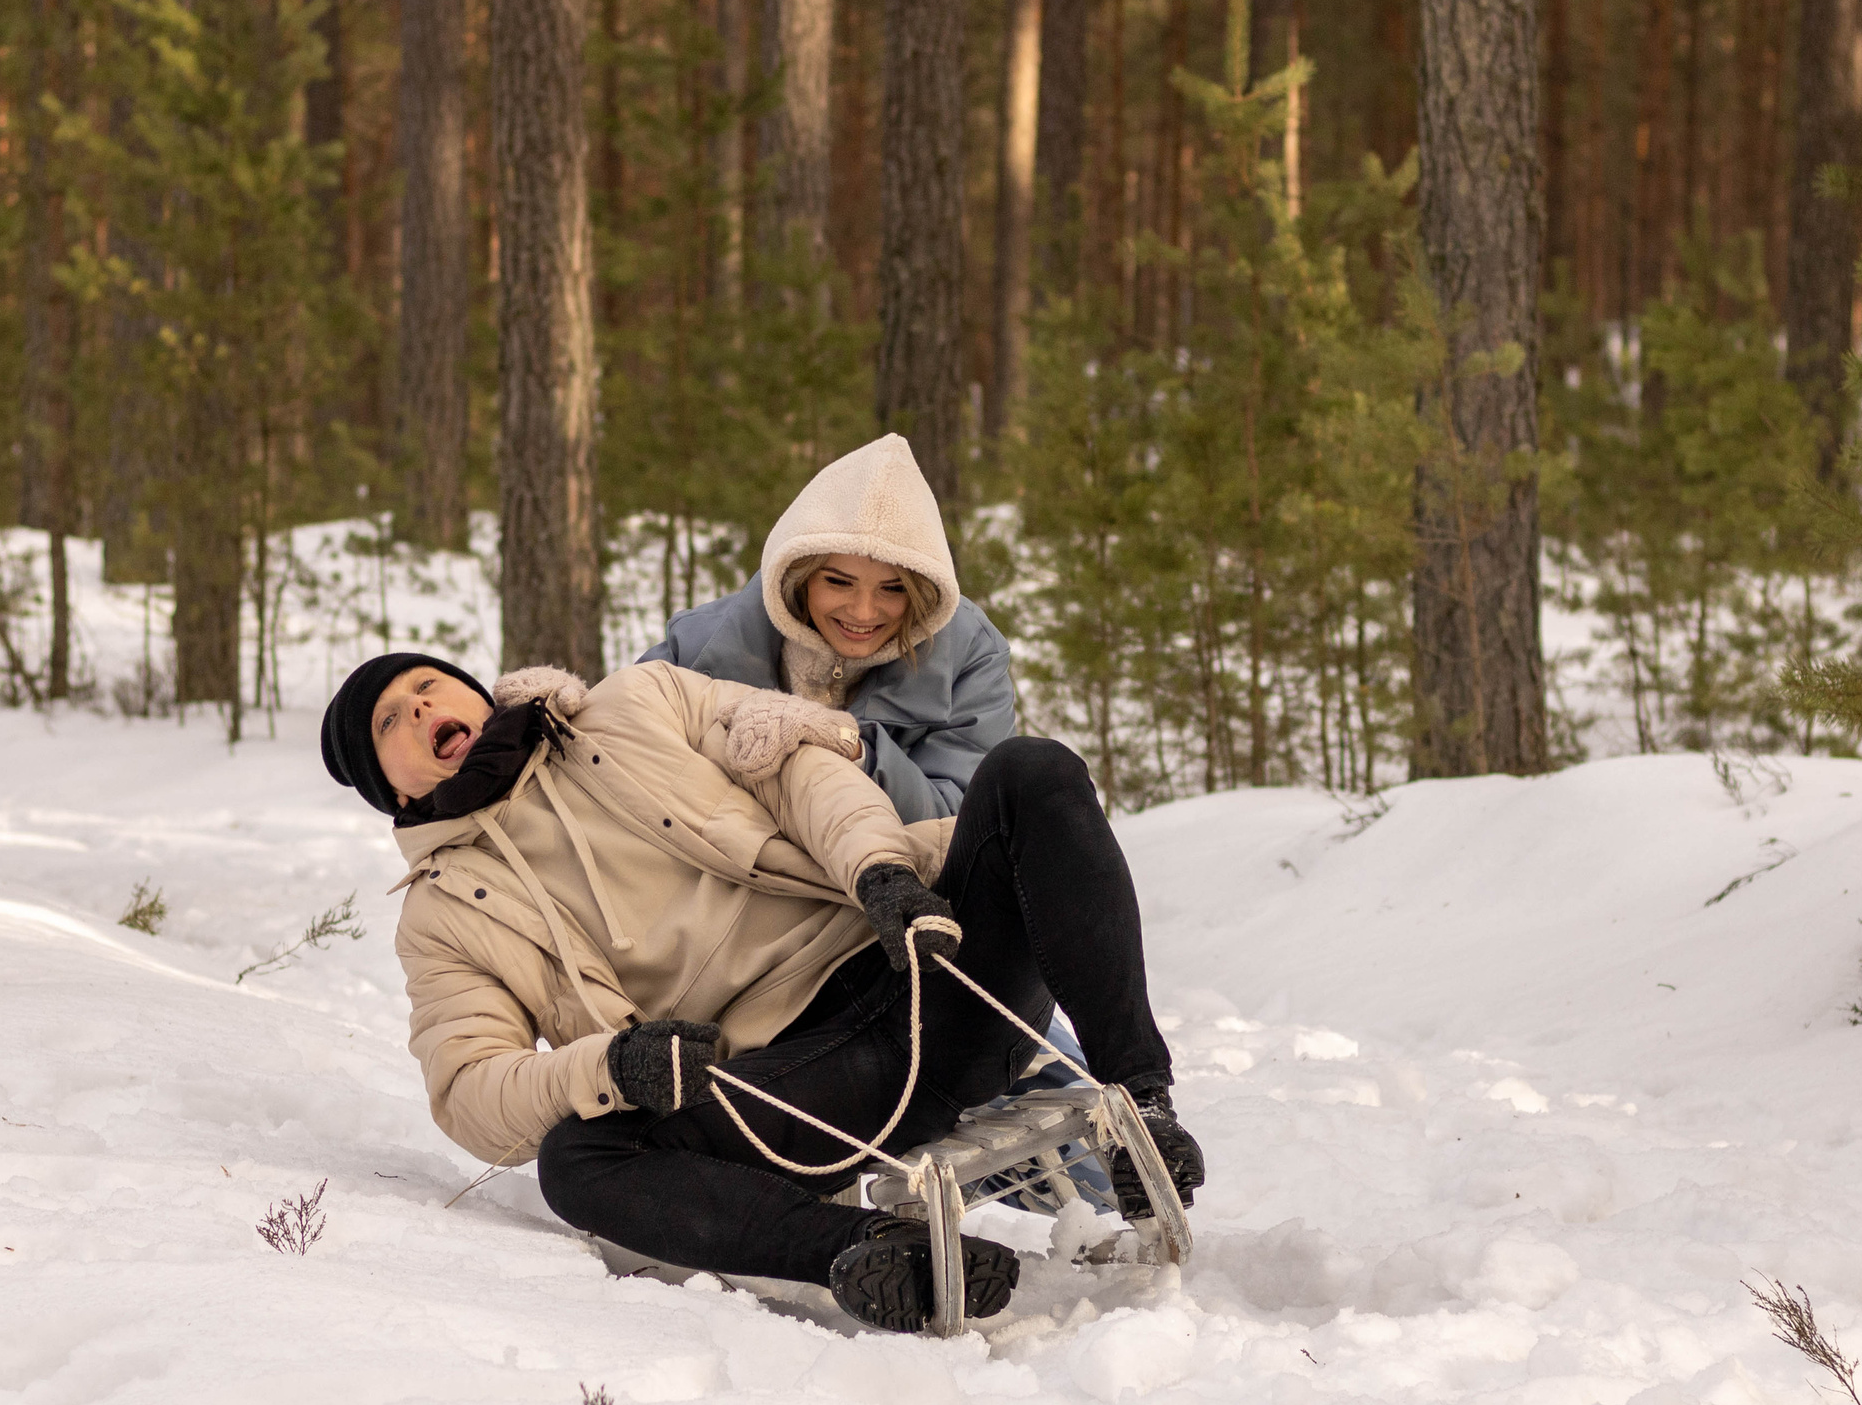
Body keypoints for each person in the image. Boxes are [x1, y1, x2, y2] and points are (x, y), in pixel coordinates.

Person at [320, 649, 1206, 1333]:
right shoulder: (442, 917)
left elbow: (792, 761)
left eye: (431, 686)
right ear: (387, 785)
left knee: (1031, 772)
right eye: (395, 720)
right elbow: (472, 1090)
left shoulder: (640, 701)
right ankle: (873, 1258)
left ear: (476, 691)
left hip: (917, 967)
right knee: (577, 1162)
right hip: (793, 1088)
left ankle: (1146, 1108)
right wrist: (613, 1069)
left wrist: (878, 869)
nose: (425, 709)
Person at [642, 433, 1012, 826]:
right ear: (798, 576)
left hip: (888, 877)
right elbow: (624, 740)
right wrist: (577, 712)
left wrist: (852, 747)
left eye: (893, 589)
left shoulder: (970, 654)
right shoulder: (702, 642)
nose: (863, 612)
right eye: (838, 582)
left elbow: (962, 820)